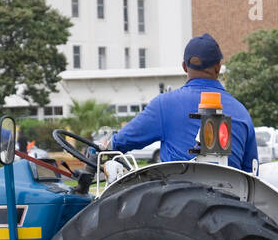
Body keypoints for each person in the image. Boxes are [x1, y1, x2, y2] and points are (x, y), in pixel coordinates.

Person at [105, 34, 258, 172]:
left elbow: (120, 142)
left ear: (184, 66)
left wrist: (103, 146)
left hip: (175, 200)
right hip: (232, 199)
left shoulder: (163, 105)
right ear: (218, 67)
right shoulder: (241, 112)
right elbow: (252, 172)